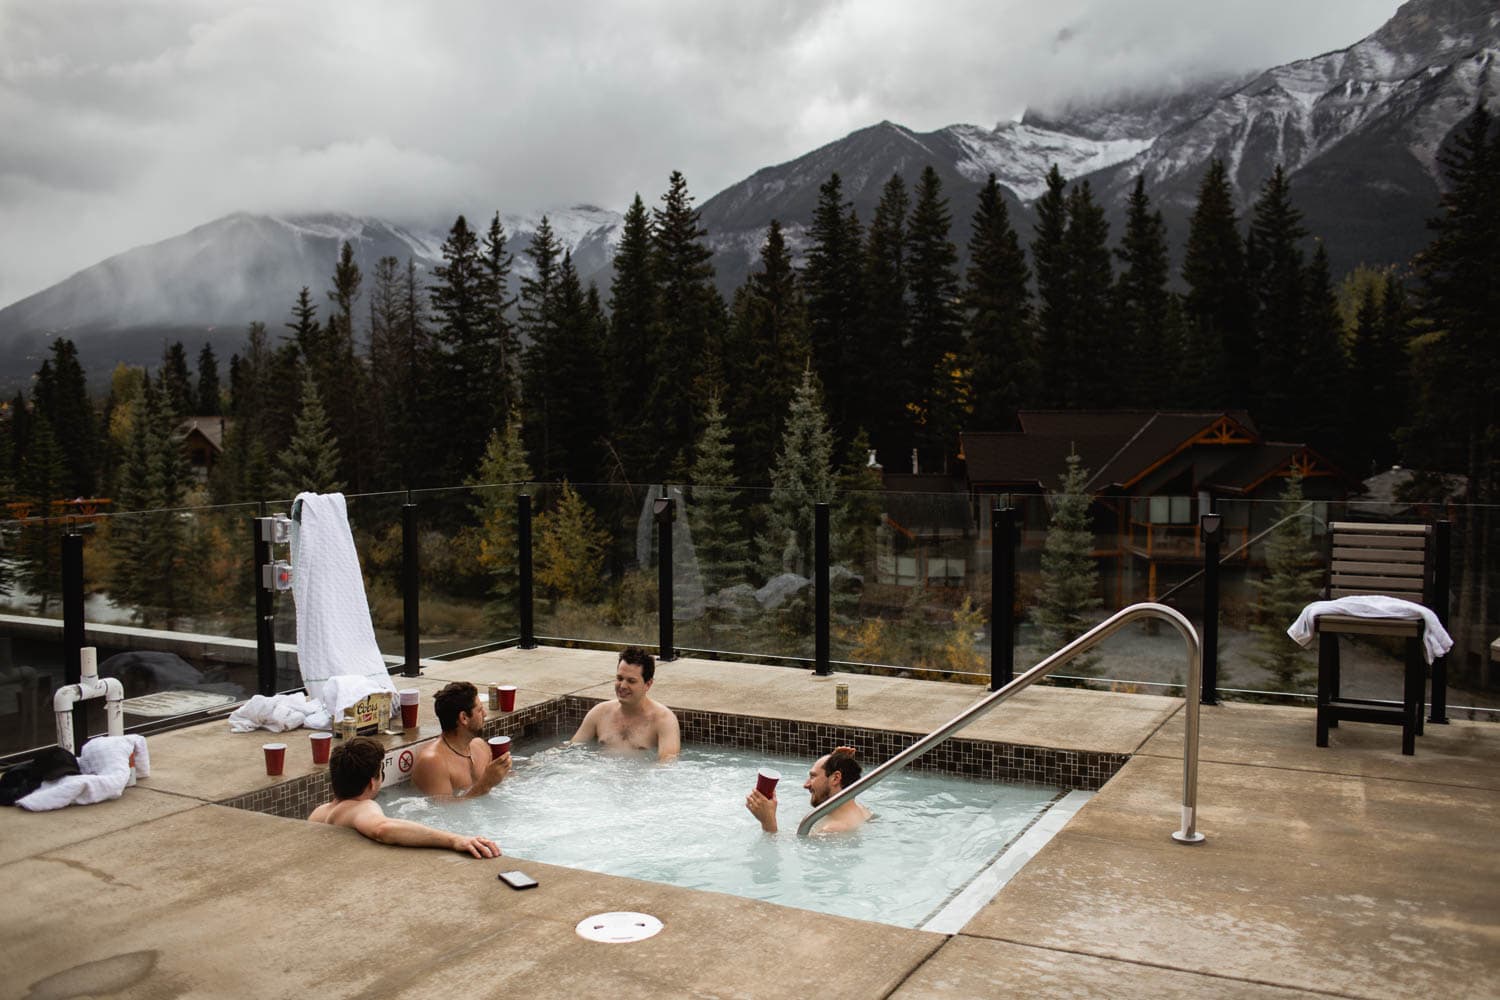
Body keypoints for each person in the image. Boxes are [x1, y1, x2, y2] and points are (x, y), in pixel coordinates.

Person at [309, 737, 501, 857]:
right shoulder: (361, 807)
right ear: (371, 783)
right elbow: (383, 829)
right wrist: (455, 840)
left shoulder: (319, 812)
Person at [570, 647, 681, 763]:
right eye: (620, 678)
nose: (622, 686)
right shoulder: (599, 713)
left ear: (648, 684)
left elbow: (667, 767)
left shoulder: (664, 721)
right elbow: (570, 751)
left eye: (631, 681)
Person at [410, 681, 511, 800]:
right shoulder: (433, 762)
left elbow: (504, 782)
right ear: (464, 718)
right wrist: (485, 784)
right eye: (479, 710)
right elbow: (444, 812)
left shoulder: (480, 746)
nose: (485, 714)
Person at [746, 746, 871, 834]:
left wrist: (768, 823)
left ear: (836, 778)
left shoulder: (831, 830)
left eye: (813, 776)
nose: (805, 785)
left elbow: (776, 855)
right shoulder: (862, 811)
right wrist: (837, 763)